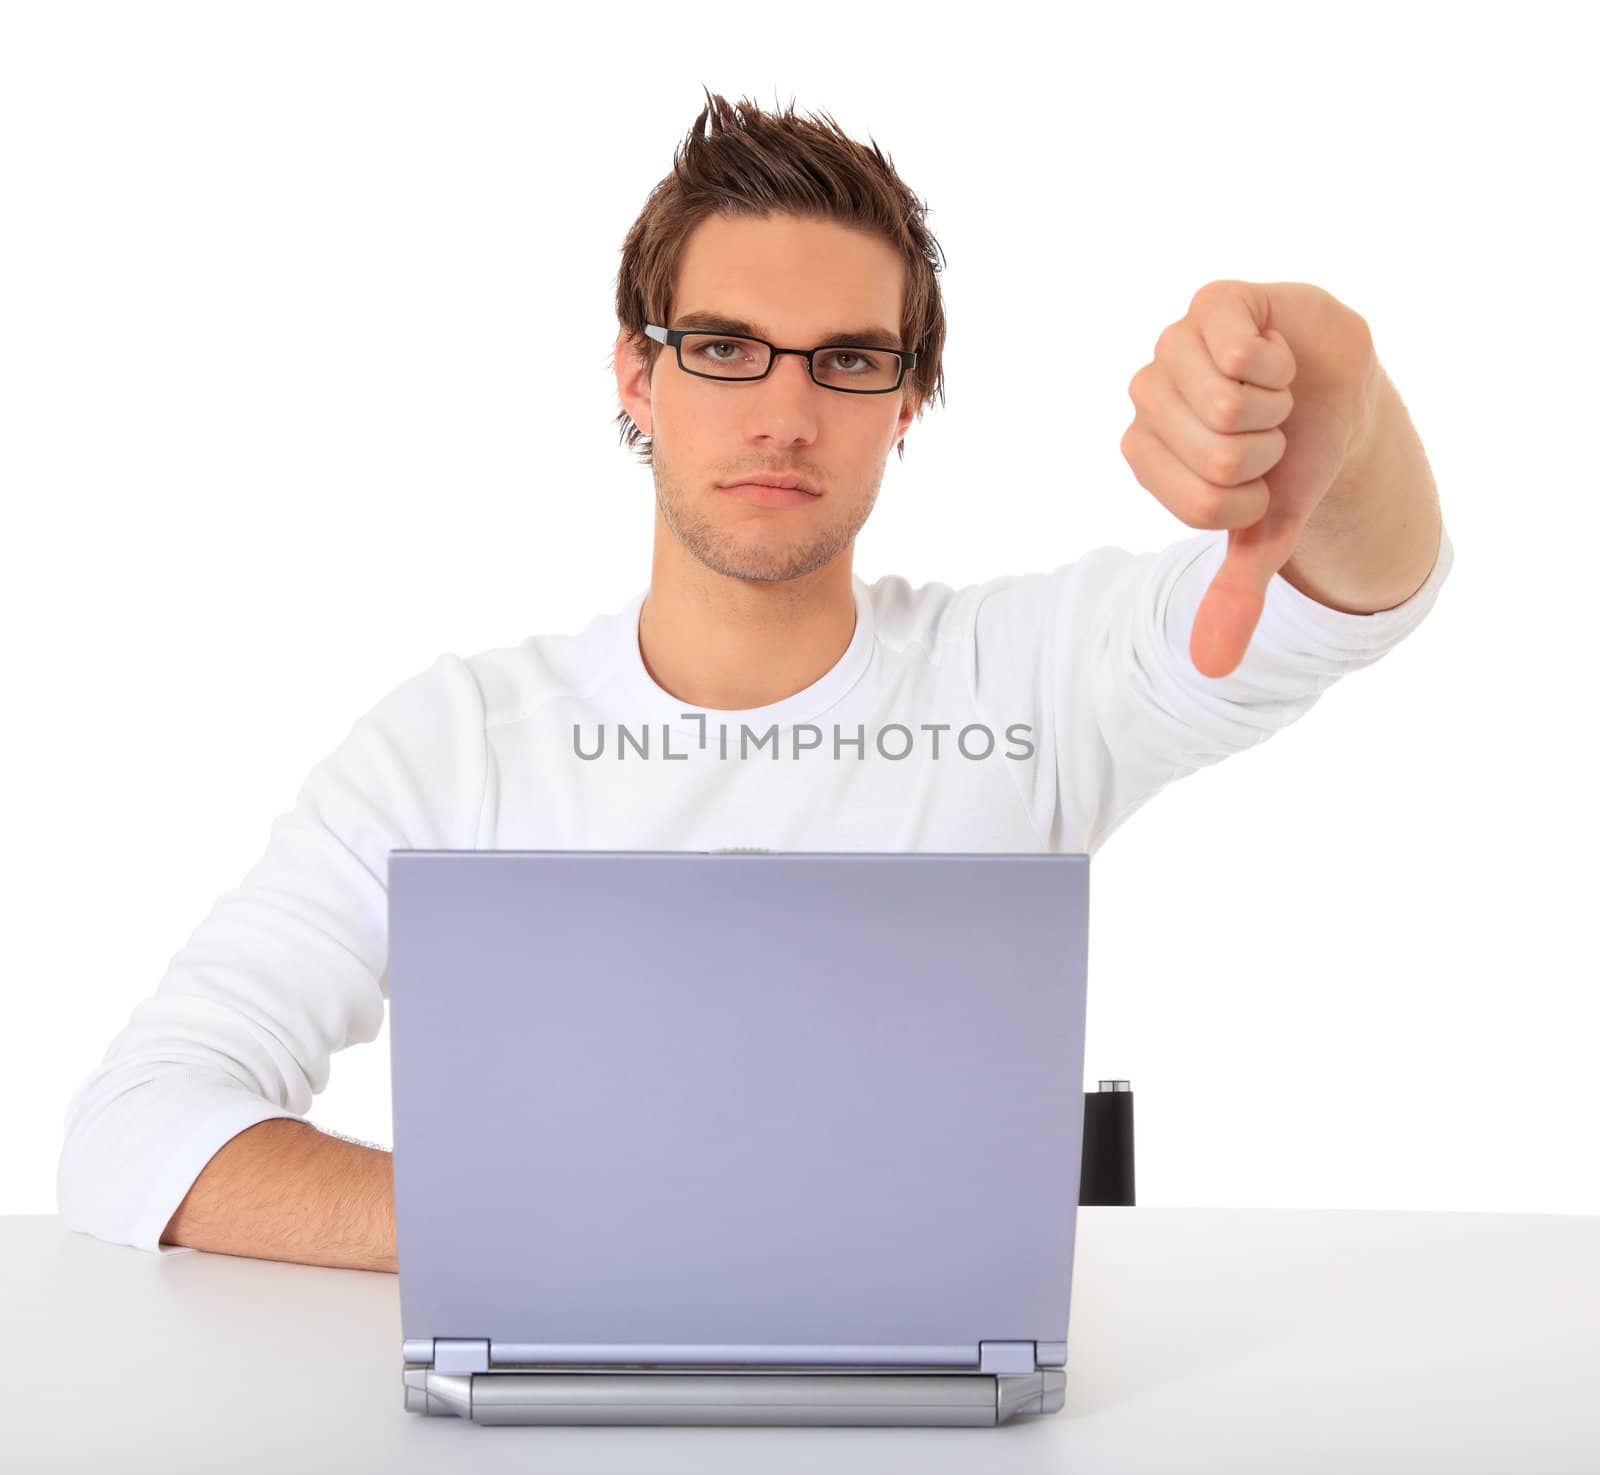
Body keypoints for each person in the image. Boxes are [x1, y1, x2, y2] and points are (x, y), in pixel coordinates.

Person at [56, 88, 1452, 1273]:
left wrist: (1344, 388)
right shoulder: (454, 744)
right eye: (723, 349)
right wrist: (550, 1229)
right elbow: (137, 1131)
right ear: (636, 377)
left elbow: (1354, 589)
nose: (784, 413)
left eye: (848, 360)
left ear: (909, 404)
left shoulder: (1025, 677)